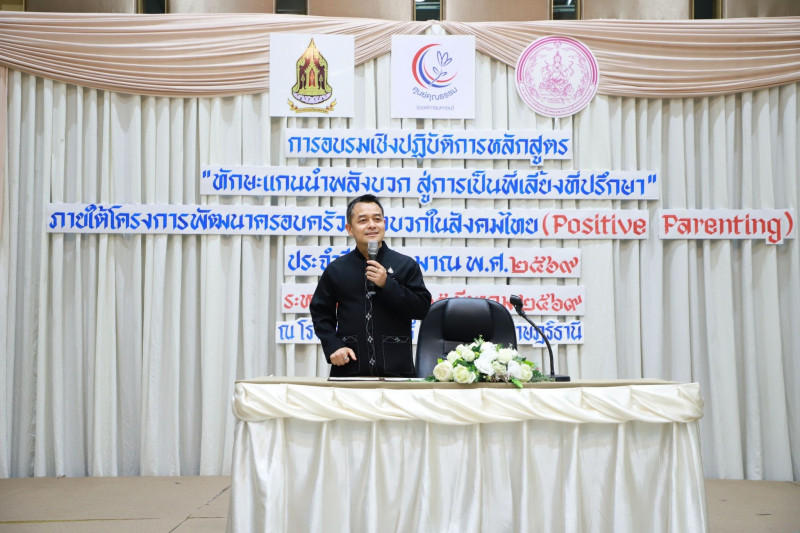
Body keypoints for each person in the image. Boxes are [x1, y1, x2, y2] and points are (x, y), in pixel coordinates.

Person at [310, 195, 431, 377]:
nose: (372, 225)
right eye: (363, 220)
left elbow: (421, 309)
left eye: (377, 219)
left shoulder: (405, 265)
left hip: (397, 371)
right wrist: (333, 345)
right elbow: (320, 312)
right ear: (349, 229)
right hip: (350, 369)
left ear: (384, 223)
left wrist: (387, 284)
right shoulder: (337, 269)